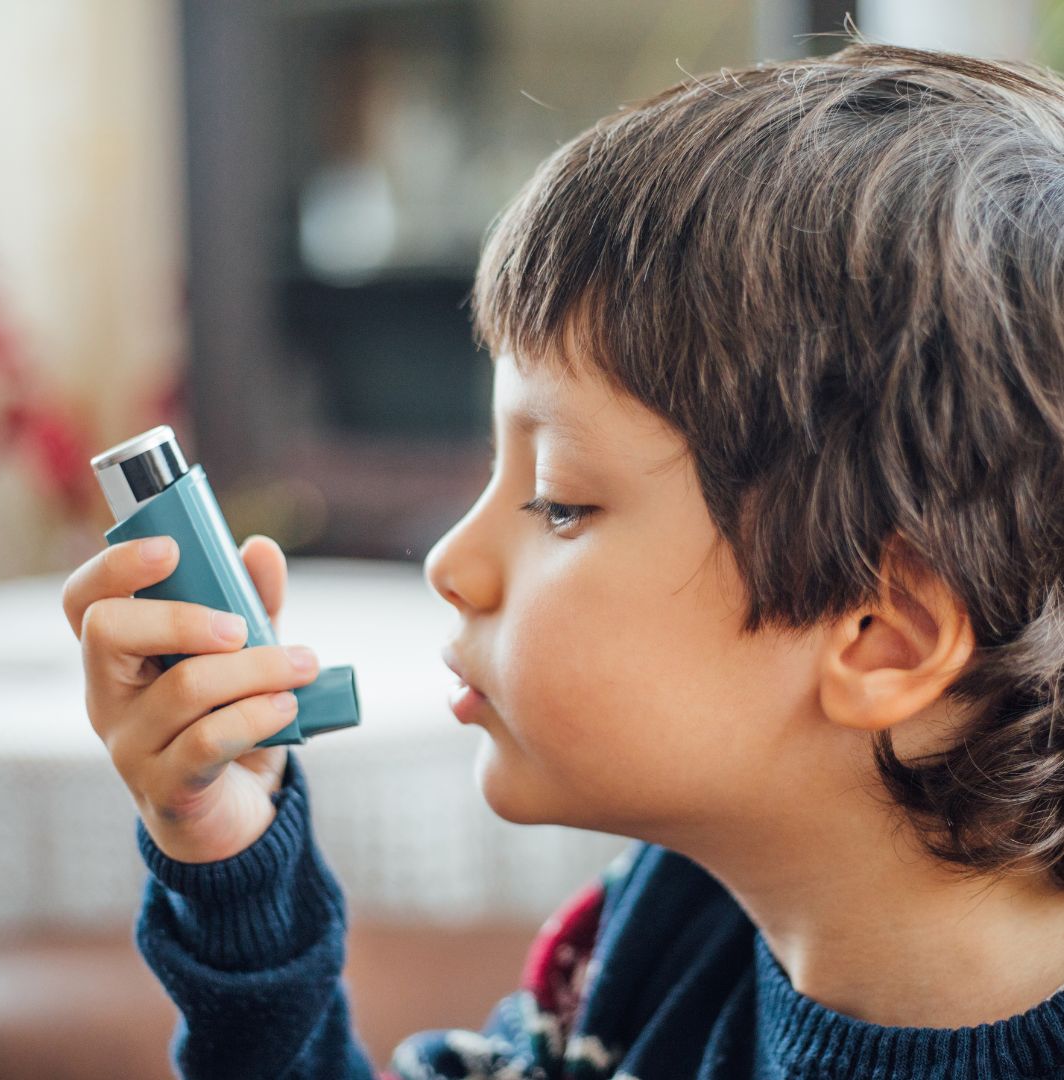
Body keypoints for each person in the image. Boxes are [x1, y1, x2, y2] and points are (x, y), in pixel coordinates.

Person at [61, 36, 1064, 1079]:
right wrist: (232, 860)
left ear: (879, 639)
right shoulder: (644, 950)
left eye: (560, 502)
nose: (451, 561)